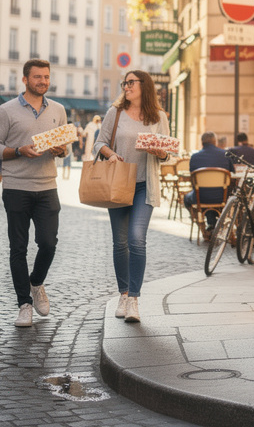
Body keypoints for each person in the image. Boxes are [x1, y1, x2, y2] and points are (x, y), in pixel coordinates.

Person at [0, 59, 68, 329]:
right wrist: (18, 151)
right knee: (18, 248)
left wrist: (61, 150)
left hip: (47, 186)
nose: (43, 81)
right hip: (16, 186)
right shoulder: (6, 110)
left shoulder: (58, 110)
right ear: (25, 80)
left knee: (48, 243)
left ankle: (36, 283)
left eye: (46, 77)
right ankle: (24, 304)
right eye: (37, 77)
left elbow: (65, 147)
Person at [91, 70, 171, 324]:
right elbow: (99, 143)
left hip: (145, 185)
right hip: (118, 183)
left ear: (144, 86)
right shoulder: (114, 113)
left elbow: (167, 151)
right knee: (120, 242)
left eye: (131, 82)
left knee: (137, 239)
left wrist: (160, 152)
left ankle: (134, 299)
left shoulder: (158, 116)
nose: (126, 87)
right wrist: (111, 154)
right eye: (124, 83)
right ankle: (123, 294)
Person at [184, 132, 230, 230]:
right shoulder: (225, 155)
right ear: (215, 142)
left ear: (202, 142)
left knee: (186, 199)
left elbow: (192, 178)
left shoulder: (195, 157)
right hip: (222, 197)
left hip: (200, 197)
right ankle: (213, 223)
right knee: (214, 193)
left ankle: (202, 225)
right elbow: (232, 173)